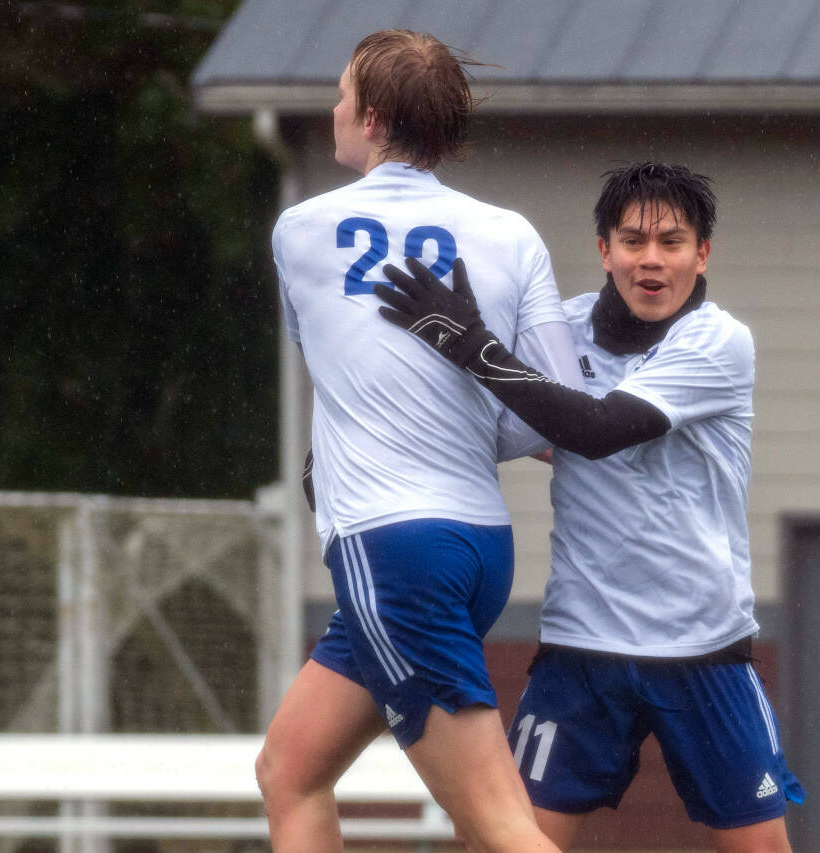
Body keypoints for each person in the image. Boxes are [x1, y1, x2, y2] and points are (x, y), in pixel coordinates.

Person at [374, 162, 805, 852]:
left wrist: (472, 343)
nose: (652, 260)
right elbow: (479, 421)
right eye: (633, 241)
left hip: (703, 645)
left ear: (703, 253)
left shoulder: (719, 342)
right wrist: (349, 454)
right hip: (582, 647)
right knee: (501, 842)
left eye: (672, 241)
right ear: (604, 249)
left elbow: (595, 428)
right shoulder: (561, 331)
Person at [256, 29, 581, 853]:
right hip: (476, 549)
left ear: (370, 119)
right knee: (290, 768)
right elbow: (558, 409)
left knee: (500, 826)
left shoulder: (301, 230)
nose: (330, 109)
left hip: (390, 547)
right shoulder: (512, 234)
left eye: (340, 95)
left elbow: (346, 372)